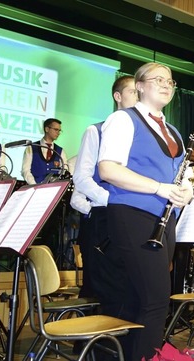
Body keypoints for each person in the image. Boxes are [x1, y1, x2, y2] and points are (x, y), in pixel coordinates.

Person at [97, 62, 193, 360]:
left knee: (138, 299)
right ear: (138, 86)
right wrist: (158, 188)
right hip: (132, 215)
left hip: (164, 221)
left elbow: (183, 173)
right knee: (155, 299)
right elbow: (108, 169)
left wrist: (187, 189)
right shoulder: (123, 120)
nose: (167, 85)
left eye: (170, 81)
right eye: (158, 79)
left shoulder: (174, 131)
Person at [70, 74, 136, 299]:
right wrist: (111, 200)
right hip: (103, 216)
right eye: (133, 92)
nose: (138, 98)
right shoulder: (95, 131)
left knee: (128, 286)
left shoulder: (141, 136)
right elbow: (81, 178)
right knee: (101, 289)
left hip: (131, 217)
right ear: (118, 96)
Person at [21, 117, 68, 184]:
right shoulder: (31, 148)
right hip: (34, 188)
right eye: (56, 130)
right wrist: (34, 185)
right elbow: (25, 170)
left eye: (59, 130)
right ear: (47, 129)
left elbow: (64, 171)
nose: (58, 133)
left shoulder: (60, 151)